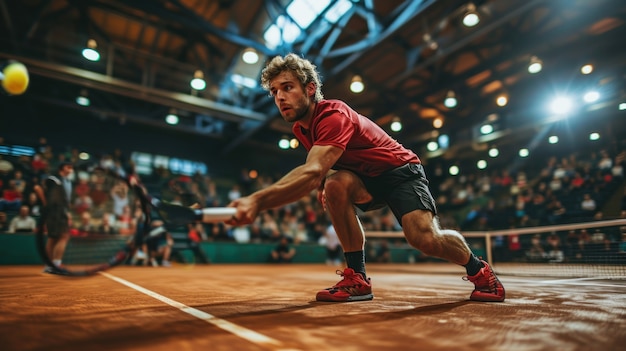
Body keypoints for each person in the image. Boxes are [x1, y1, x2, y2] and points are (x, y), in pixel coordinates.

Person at [225, 54, 505, 302]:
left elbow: (312, 172)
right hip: (366, 178)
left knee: (424, 239)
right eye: (274, 92)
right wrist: (327, 182)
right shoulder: (301, 129)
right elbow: (328, 166)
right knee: (334, 185)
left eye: (287, 88)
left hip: (400, 172)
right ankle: (357, 279)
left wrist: (257, 200)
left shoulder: (333, 114)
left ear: (310, 89)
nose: (280, 97)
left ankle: (479, 269)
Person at [34, 162, 74, 274]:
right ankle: (55, 265)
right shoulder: (53, 179)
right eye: (68, 167)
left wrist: (67, 210)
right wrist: (46, 204)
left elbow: (66, 199)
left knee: (54, 238)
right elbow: (38, 188)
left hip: (61, 212)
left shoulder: (68, 182)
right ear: (62, 168)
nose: (71, 169)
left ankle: (49, 265)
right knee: (63, 236)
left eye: (72, 168)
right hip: (55, 212)